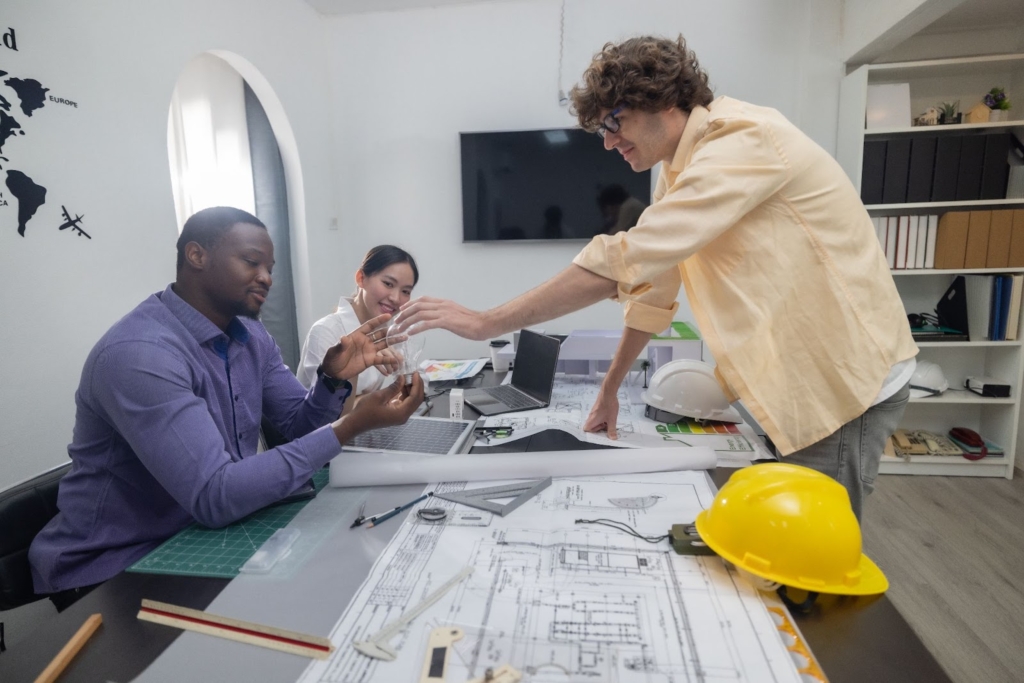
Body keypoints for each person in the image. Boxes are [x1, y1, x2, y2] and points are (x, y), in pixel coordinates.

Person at [396, 35, 917, 519]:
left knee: (810, 551)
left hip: (840, 384)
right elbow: (654, 286)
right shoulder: (677, 170)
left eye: (613, 123)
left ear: (663, 100)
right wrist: (610, 387)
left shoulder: (743, 140)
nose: (607, 142)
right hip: (787, 383)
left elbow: (628, 256)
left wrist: (489, 321)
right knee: (776, 531)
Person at [29, 207, 423, 609]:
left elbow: (295, 426)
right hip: (114, 567)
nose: (267, 277)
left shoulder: (251, 334)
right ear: (196, 256)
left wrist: (332, 381)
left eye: (269, 267)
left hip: (201, 532)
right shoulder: (138, 355)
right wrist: (349, 426)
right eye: (252, 262)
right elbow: (215, 494)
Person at [296, 245, 419, 400]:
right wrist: (381, 400)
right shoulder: (325, 332)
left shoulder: (389, 331)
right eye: (388, 284)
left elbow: (403, 385)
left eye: (405, 291)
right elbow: (323, 409)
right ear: (361, 278)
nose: (395, 298)